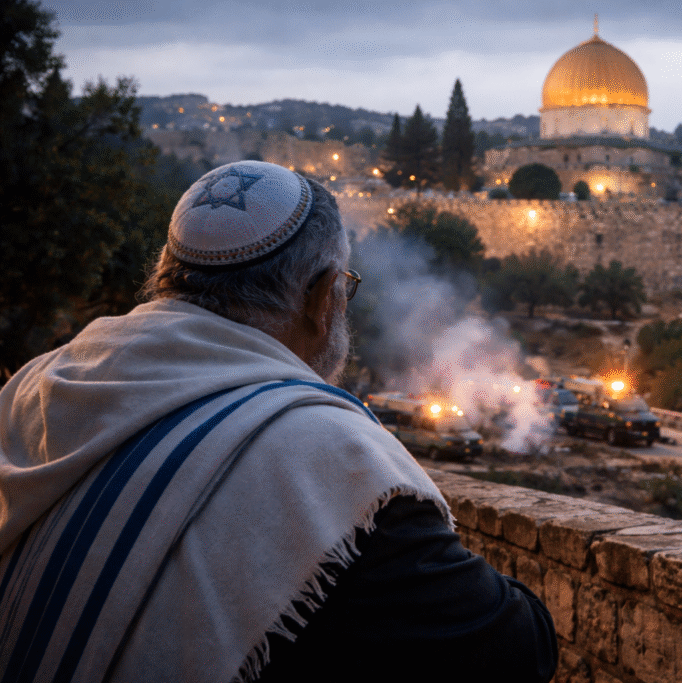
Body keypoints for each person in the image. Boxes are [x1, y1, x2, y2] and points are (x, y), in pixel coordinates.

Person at [0, 161, 557, 683]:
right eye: (345, 288)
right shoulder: (323, 453)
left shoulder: (34, 386)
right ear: (321, 298)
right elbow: (516, 647)